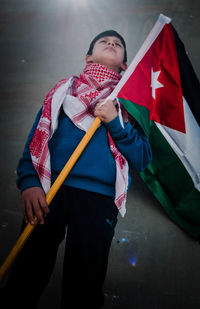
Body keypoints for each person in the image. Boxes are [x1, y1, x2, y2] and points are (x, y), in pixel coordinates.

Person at [2, 30, 152, 308]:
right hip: (48, 192)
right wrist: (29, 182)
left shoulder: (129, 106)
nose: (111, 43)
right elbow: (37, 138)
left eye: (118, 44)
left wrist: (114, 123)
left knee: (84, 285)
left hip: (99, 201)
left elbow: (142, 158)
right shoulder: (63, 91)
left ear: (124, 65)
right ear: (88, 56)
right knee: (25, 276)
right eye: (104, 42)